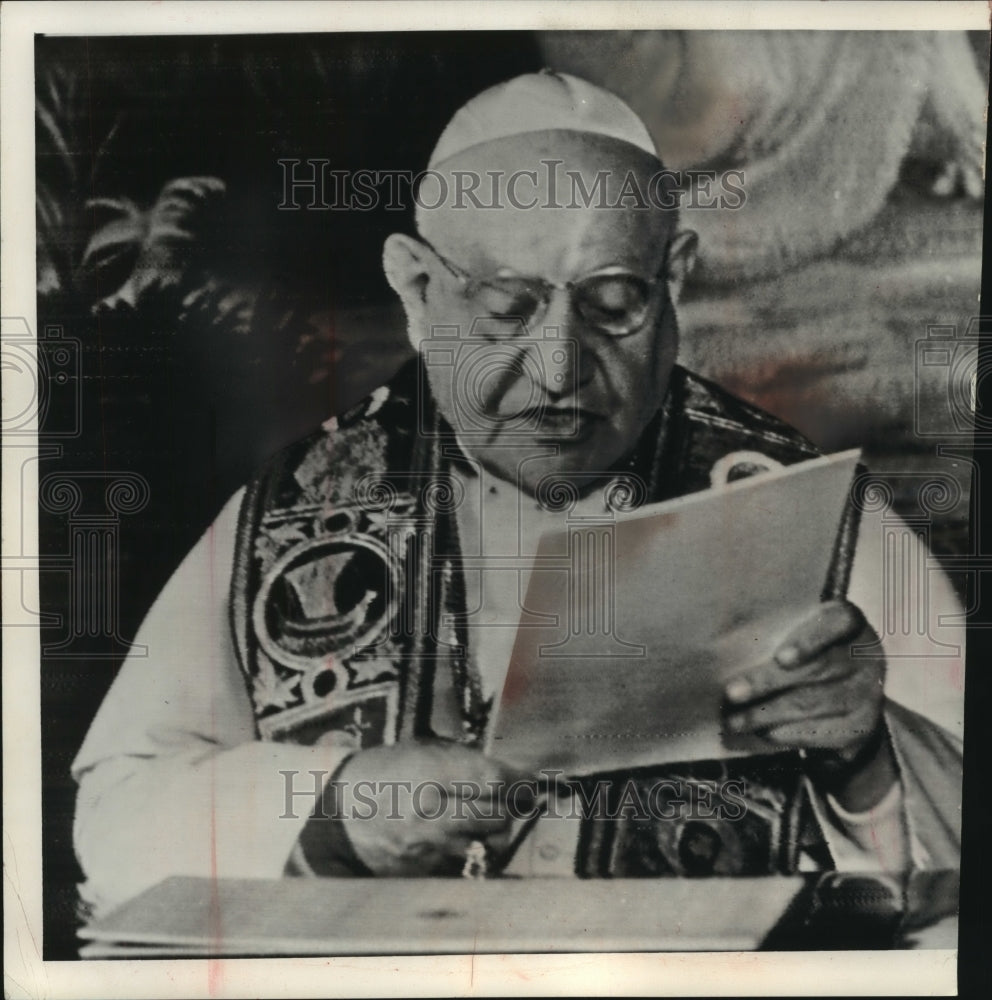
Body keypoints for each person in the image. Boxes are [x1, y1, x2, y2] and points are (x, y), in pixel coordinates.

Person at [73, 72, 963, 916]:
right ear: (419, 289)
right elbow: (116, 813)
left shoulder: (807, 508)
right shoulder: (293, 512)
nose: (560, 369)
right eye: (506, 307)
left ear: (676, 280)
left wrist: (867, 758)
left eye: (614, 303)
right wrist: (330, 809)